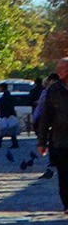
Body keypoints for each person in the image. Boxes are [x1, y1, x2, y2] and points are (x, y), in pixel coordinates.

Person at [34, 58, 68, 211]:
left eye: (63, 68)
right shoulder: (54, 91)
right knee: (64, 175)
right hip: (60, 141)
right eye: (58, 68)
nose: (59, 71)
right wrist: (42, 142)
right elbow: (45, 117)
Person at [0, 82, 21, 154]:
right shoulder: (7, 94)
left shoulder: (6, 95)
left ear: (2, 88)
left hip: (6, 114)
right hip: (9, 114)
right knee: (9, 128)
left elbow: (2, 105)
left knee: (3, 128)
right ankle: (12, 143)